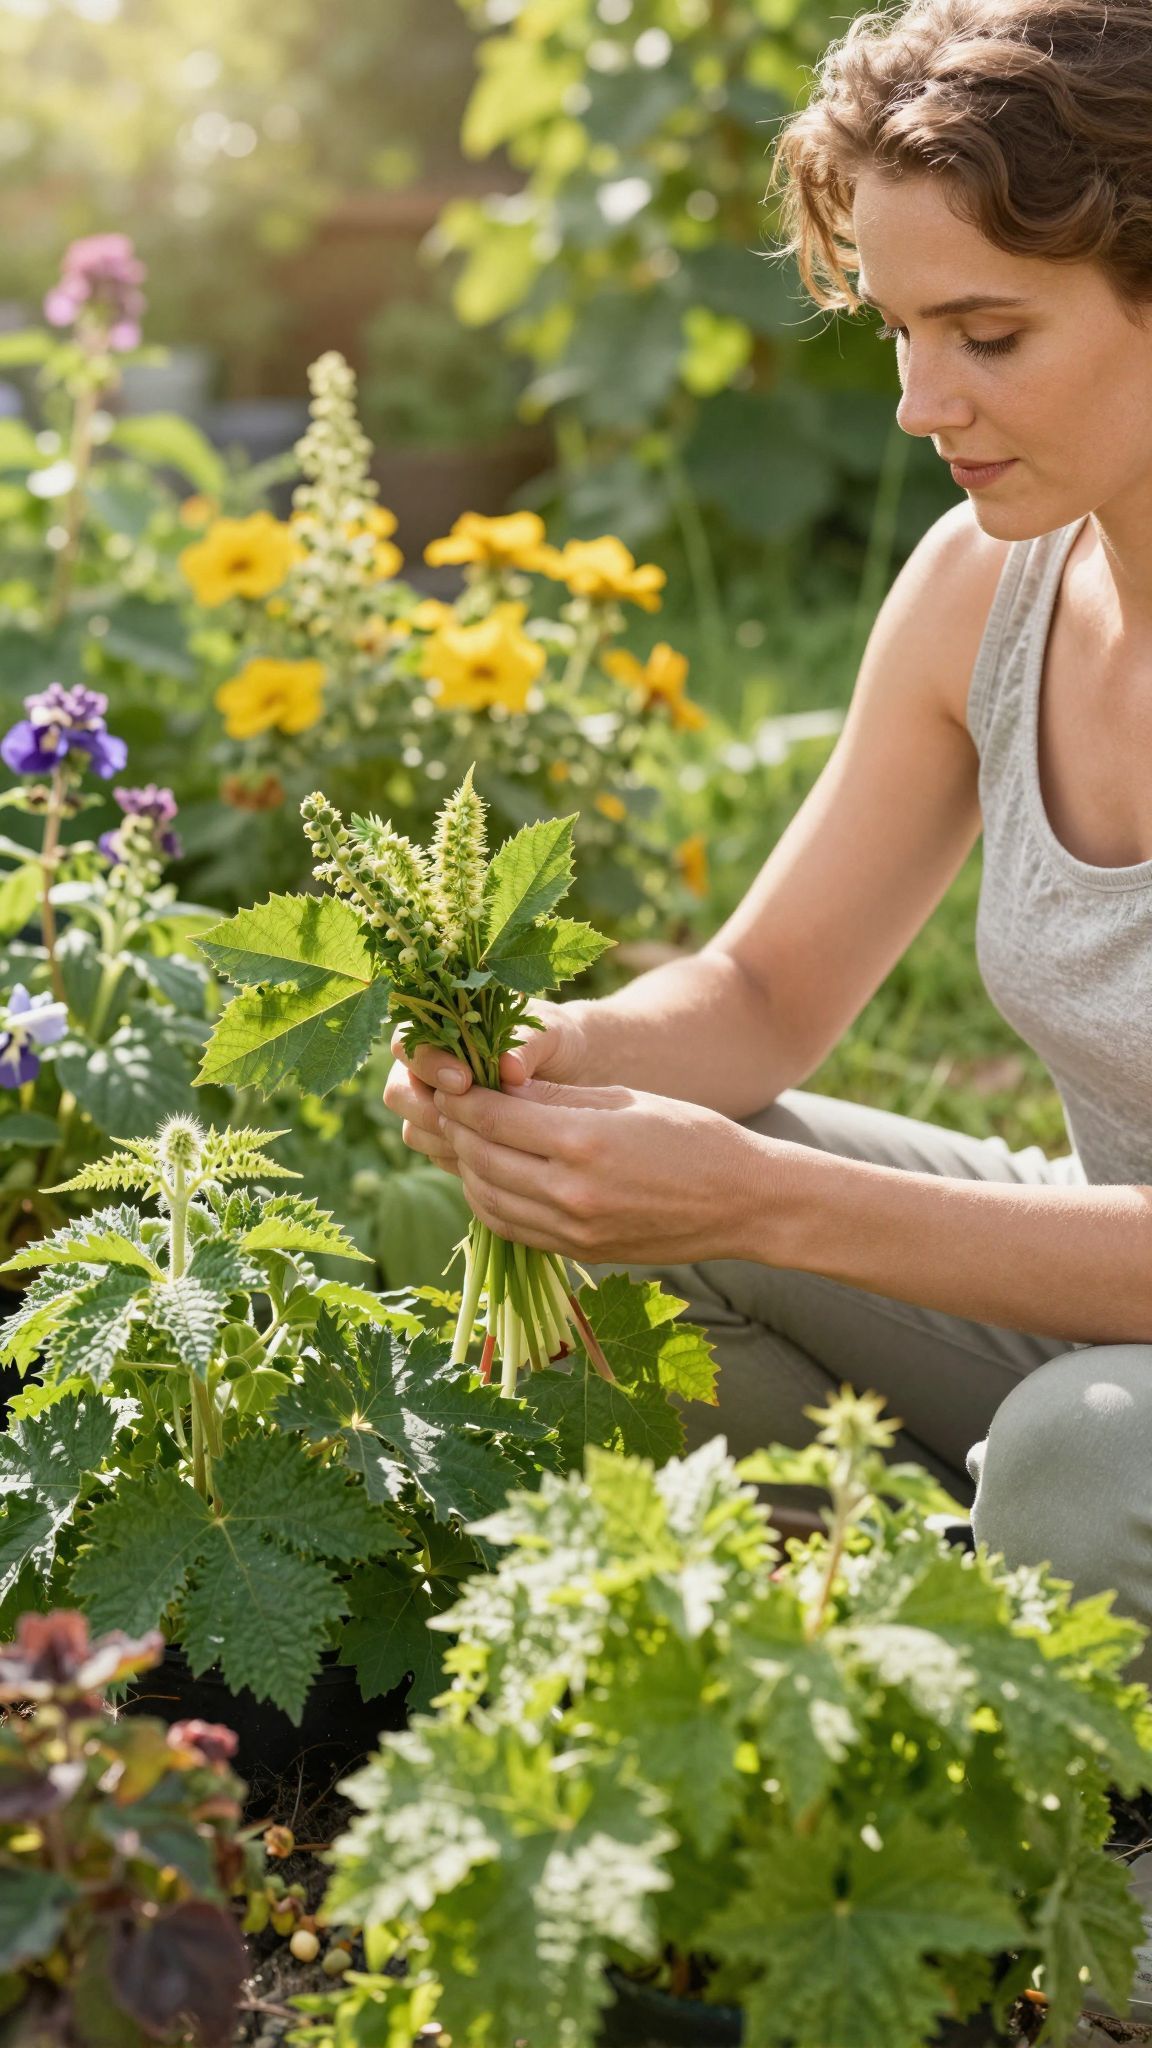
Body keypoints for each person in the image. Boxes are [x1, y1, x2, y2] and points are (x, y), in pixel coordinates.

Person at [385, 0, 1152, 1683]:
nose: (917, 402)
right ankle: (884, 1697)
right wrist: (542, 1061)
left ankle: (1077, 1795)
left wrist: (773, 1200)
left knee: (1089, 1459)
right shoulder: (987, 585)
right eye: (894, 330)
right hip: (1107, 1291)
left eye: (990, 335)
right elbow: (757, 993)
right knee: (606, 1194)